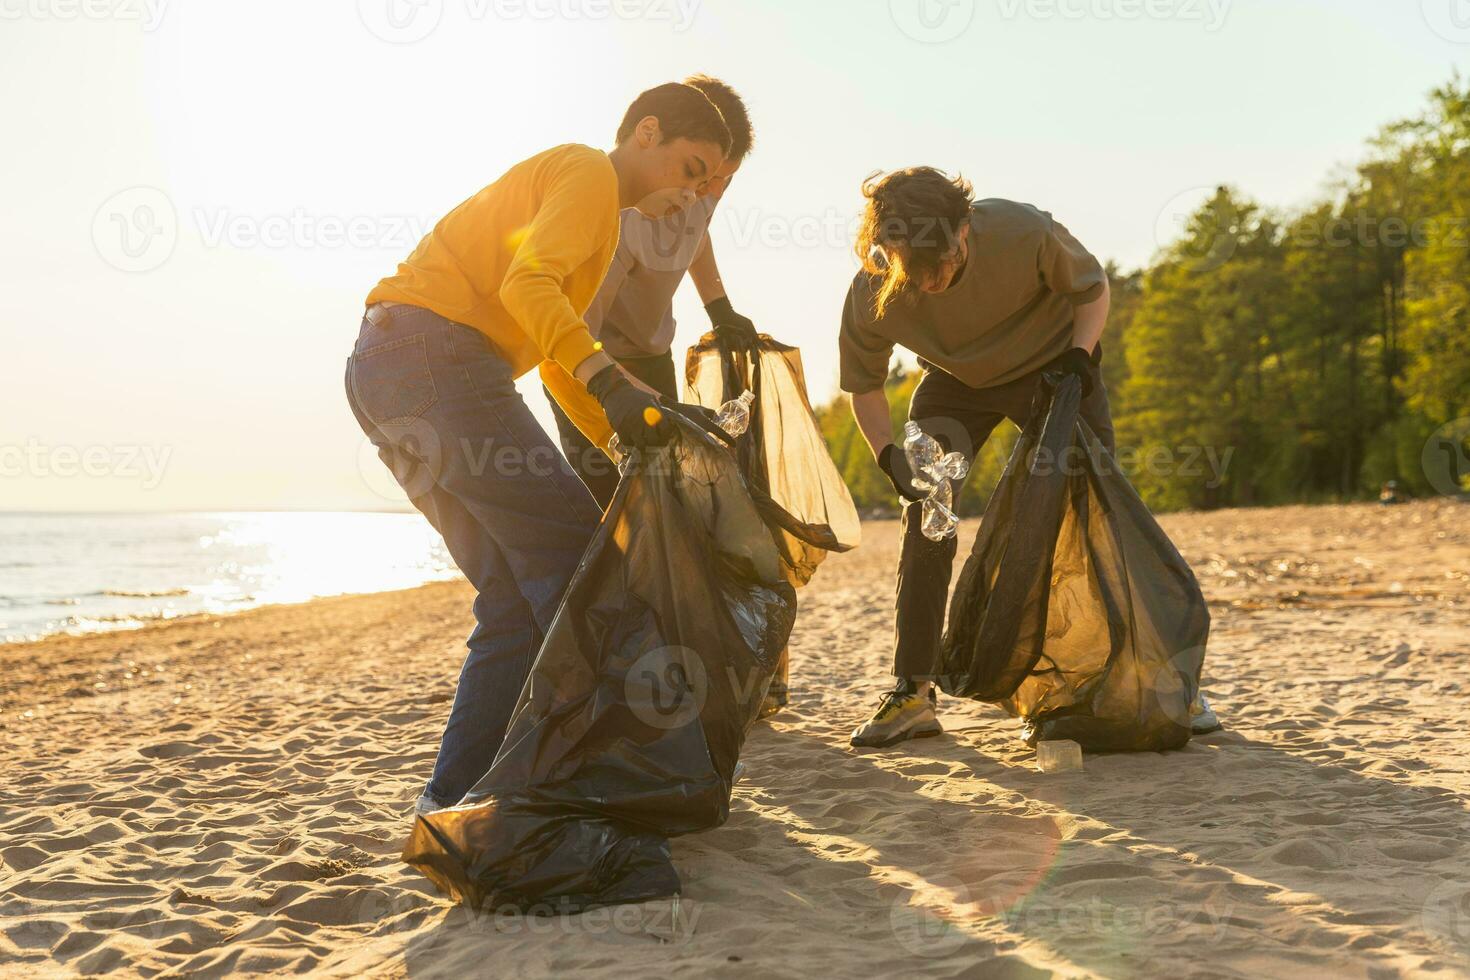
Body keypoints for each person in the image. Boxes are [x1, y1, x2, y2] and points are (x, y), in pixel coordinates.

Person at [345, 82, 732, 813]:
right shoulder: (590, 173)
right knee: (572, 561)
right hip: (437, 358)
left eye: (710, 184)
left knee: (515, 602)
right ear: (645, 134)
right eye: (691, 168)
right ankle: (597, 777)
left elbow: (553, 354)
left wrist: (619, 436)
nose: (697, 194)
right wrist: (614, 383)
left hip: (385, 371)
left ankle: (450, 805)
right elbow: (528, 285)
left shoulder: (599, 219)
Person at [839, 167, 1116, 749]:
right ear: (889, 250)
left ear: (965, 228)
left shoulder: (1020, 230)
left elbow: (1093, 291)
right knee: (927, 510)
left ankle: (1149, 673)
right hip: (955, 383)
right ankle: (913, 689)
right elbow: (864, 385)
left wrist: (1078, 358)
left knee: (1100, 507)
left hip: (1056, 363)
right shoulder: (873, 286)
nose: (933, 280)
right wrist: (887, 454)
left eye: (942, 261)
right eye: (915, 268)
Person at [546, 75, 758, 509]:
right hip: (587, 367)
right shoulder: (623, 223)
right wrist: (642, 401)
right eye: (707, 177)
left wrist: (719, 306)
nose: (712, 193)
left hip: (653, 354)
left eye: (727, 180)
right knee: (615, 507)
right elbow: (574, 343)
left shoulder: (701, 192)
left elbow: (696, 236)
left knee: (671, 502)